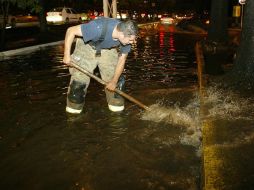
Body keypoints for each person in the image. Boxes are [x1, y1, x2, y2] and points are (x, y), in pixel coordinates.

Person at [63, 17, 138, 114]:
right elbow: (70, 30)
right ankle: (73, 112)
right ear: (121, 34)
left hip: (108, 49)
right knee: (79, 84)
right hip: (87, 46)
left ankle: (117, 112)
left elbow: (122, 60)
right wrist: (66, 55)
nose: (132, 43)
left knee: (116, 84)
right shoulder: (96, 27)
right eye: (131, 40)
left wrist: (114, 81)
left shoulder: (126, 39)